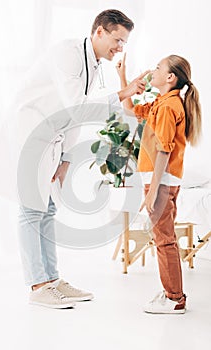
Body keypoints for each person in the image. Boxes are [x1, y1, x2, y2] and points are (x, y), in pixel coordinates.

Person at [9, 9, 149, 309]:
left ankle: (52, 280)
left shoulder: (94, 64)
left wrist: (67, 157)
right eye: (117, 39)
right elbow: (76, 108)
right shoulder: (67, 53)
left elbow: (73, 117)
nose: (120, 48)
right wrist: (124, 91)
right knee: (31, 210)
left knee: (46, 210)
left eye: (124, 42)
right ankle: (37, 285)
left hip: (52, 137)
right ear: (99, 31)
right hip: (31, 131)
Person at [116, 53, 202, 313]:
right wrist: (123, 76)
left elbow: (164, 152)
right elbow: (130, 110)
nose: (152, 71)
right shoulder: (162, 102)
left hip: (161, 182)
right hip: (160, 181)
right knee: (163, 238)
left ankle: (175, 299)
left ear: (170, 77)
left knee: (164, 241)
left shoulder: (167, 107)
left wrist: (153, 192)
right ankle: (171, 292)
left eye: (157, 68)